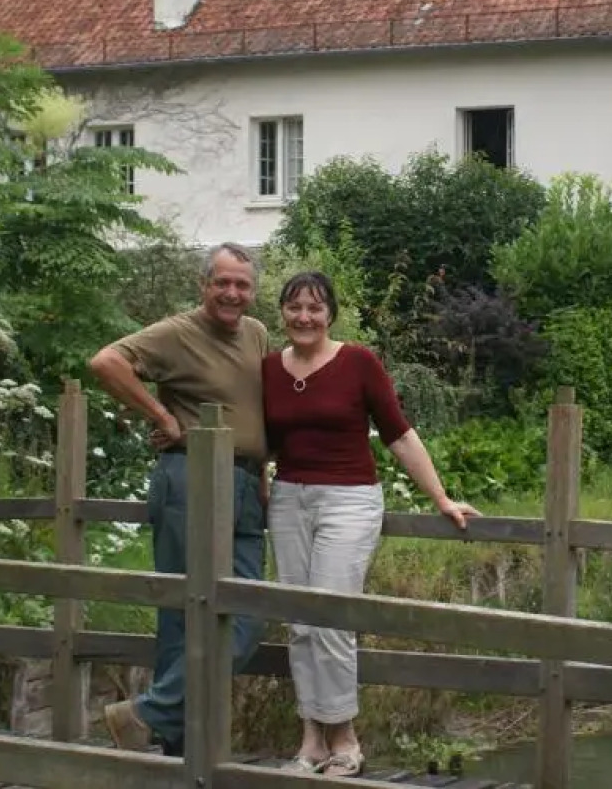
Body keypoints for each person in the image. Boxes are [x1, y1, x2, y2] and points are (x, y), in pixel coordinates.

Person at [264, 270, 480, 777]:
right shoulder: (269, 369)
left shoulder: (358, 362)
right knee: (299, 623)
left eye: (315, 308)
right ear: (282, 313)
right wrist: (257, 482)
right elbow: (264, 441)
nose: (304, 317)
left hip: (349, 499)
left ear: (330, 314)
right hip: (289, 500)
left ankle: (346, 739)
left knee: (333, 618)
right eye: (294, 307)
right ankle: (311, 740)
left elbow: (398, 434)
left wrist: (441, 497)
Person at [88, 243, 271, 758]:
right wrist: (163, 418)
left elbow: (255, 406)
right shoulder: (176, 332)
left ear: (252, 290)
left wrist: (263, 466)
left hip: (246, 484)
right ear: (203, 285)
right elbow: (106, 362)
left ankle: (147, 716)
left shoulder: (257, 333)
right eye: (222, 283)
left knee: (248, 610)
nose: (232, 293)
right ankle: (178, 743)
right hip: (190, 476)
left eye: (242, 284)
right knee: (183, 612)